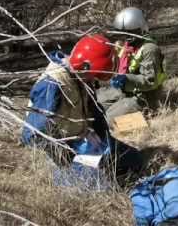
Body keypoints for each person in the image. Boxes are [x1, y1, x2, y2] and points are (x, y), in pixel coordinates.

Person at [21, 34, 142, 177]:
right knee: (99, 185)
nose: (94, 81)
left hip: (83, 140)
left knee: (134, 159)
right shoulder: (52, 85)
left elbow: (95, 112)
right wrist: (71, 156)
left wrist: (104, 141)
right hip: (61, 153)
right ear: (83, 66)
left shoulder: (83, 76)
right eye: (93, 76)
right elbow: (32, 135)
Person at [98, 7, 167, 123]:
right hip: (125, 90)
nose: (125, 38)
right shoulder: (127, 46)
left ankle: (145, 117)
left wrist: (127, 78)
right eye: (123, 34)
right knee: (96, 105)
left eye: (128, 34)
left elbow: (150, 81)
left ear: (138, 30)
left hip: (143, 97)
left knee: (108, 120)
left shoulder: (150, 49)